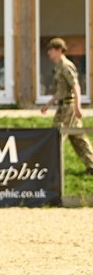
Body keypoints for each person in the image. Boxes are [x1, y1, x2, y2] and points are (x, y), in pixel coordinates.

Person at [41, 37, 93, 174]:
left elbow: (75, 86)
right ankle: (91, 165)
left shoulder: (66, 66)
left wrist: (77, 106)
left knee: (56, 136)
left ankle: (52, 169)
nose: (49, 53)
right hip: (63, 106)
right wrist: (48, 104)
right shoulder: (59, 67)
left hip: (68, 108)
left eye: (51, 50)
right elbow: (60, 91)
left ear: (59, 50)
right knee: (78, 138)